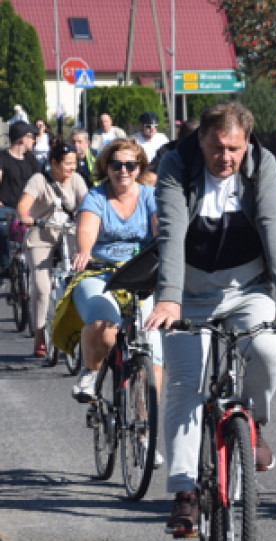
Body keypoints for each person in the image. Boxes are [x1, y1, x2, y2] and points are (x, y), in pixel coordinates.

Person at [145, 102, 276, 537]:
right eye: (219, 147)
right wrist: (167, 300)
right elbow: (170, 234)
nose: (227, 158)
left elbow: (275, 231)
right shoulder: (176, 165)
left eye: (235, 149)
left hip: (248, 288)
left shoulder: (262, 166)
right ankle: (185, 493)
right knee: (186, 382)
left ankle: (253, 424)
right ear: (201, 138)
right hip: (188, 292)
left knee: (266, 350)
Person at [69, 138, 160, 404]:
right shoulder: (96, 195)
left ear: (139, 167)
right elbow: (86, 229)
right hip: (100, 271)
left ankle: (144, 436)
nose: (123, 170)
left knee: (153, 356)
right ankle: (91, 370)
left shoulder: (149, 195)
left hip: (142, 273)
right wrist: (85, 250)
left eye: (131, 165)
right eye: (116, 164)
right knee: (104, 327)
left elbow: (159, 230)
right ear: (106, 167)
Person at [16, 140, 88, 357]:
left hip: (69, 233)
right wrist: (24, 217)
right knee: (42, 287)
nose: (71, 167)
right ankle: (39, 333)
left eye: (74, 163)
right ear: (54, 163)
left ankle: (82, 328)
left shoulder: (76, 179)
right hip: (42, 235)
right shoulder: (39, 180)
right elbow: (23, 205)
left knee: (83, 276)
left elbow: (86, 203)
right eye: (67, 163)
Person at [0, 120, 39, 275]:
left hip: (30, 208)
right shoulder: (3, 157)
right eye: (31, 136)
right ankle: (6, 266)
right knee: (2, 227)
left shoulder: (31, 160)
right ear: (22, 139)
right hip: (8, 207)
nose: (34, 140)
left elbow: (40, 182)